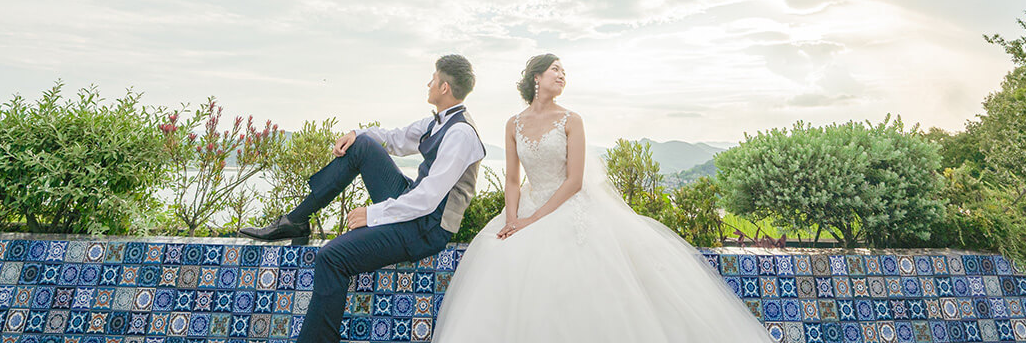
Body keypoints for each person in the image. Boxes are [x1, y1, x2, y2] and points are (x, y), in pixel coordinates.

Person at [431, 54, 775, 343]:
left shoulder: (571, 120)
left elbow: (575, 181)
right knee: (499, 255)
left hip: (567, 206)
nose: (562, 75)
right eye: (555, 69)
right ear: (537, 76)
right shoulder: (513, 124)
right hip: (525, 207)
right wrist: (511, 220)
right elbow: (511, 179)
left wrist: (532, 220)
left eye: (564, 71)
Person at [240, 54, 485, 343]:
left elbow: (429, 198)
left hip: (427, 228)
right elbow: (394, 138)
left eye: (433, 77)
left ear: (444, 87)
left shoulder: (461, 133)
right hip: (415, 209)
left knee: (331, 257)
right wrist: (357, 134)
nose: (428, 82)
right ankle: (295, 220)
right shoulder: (438, 122)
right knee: (364, 146)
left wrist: (373, 214)